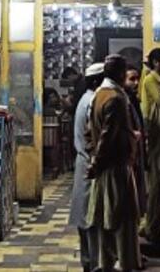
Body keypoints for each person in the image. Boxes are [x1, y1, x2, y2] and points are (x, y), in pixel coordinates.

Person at [86, 55, 142, 272]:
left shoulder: (98, 94)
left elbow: (91, 131)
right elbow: (107, 137)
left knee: (106, 220)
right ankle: (126, 264)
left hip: (105, 166)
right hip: (116, 167)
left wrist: (94, 161)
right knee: (123, 220)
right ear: (120, 73)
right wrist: (97, 162)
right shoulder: (116, 99)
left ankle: (106, 264)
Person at [138, 48, 160, 249]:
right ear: (156, 62)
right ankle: (151, 227)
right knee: (157, 184)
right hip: (156, 136)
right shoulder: (152, 80)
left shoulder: (159, 81)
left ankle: (150, 225)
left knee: (158, 186)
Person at [71, 62, 104, 272]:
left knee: (86, 220)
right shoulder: (92, 101)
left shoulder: (85, 99)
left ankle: (88, 263)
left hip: (84, 163)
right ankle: (94, 265)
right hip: (90, 165)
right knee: (92, 221)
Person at [124, 66, 148, 218]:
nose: (136, 82)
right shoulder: (123, 101)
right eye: (131, 79)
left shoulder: (133, 99)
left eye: (137, 79)